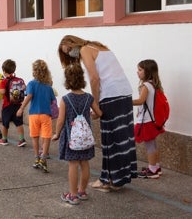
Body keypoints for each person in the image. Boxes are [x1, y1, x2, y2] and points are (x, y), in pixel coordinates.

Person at [58, 35, 137, 191]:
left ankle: (106, 180)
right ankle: (120, 178)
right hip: (125, 93)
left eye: (67, 50)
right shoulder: (99, 47)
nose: (69, 54)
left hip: (110, 96)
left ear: (71, 43)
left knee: (110, 139)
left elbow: (94, 78)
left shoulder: (85, 49)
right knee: (123, 137)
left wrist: (96, 103)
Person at [52, 64, 102, 205]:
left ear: (67, 80)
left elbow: (61, 120)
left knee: (73, 164)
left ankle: (72, 195)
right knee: (84, 163)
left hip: (71, 138)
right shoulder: (89, 98)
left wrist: (56, 134)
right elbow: (99, 113)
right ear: (82, 79)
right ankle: (82, 191)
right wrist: (91, 115)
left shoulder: (66, 99)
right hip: (85, 138)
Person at [16, 59, 56, 173]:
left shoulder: (31, 84)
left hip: (34, 114)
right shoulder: (48, 86)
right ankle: (44, 159)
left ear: (34, 71)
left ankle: (36, 158)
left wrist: (21, 108)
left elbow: (28, 96)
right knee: (46, 136)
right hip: (46, 115)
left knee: (35, 137)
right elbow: (52, 101)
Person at [132, 59, 165, 179]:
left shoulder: (146, 86)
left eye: (140, 70)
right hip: (152, 120)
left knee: (150, 146)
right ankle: (156, 167)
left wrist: (126, 102)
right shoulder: (153, 84)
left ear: (148, 72)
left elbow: (141, 100)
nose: (137, 72)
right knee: (153, 144)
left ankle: (152, 170)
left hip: (146, 121)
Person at [0, 59, 27, 147]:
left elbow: (2, 92)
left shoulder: (4, 81)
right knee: (19, 123)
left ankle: (4, 139)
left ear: (4, 71)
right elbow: (24, 88)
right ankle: (21, 139)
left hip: (7, 106)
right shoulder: (20, 80)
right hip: (18, 105)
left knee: (5, 123)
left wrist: (1, 89)